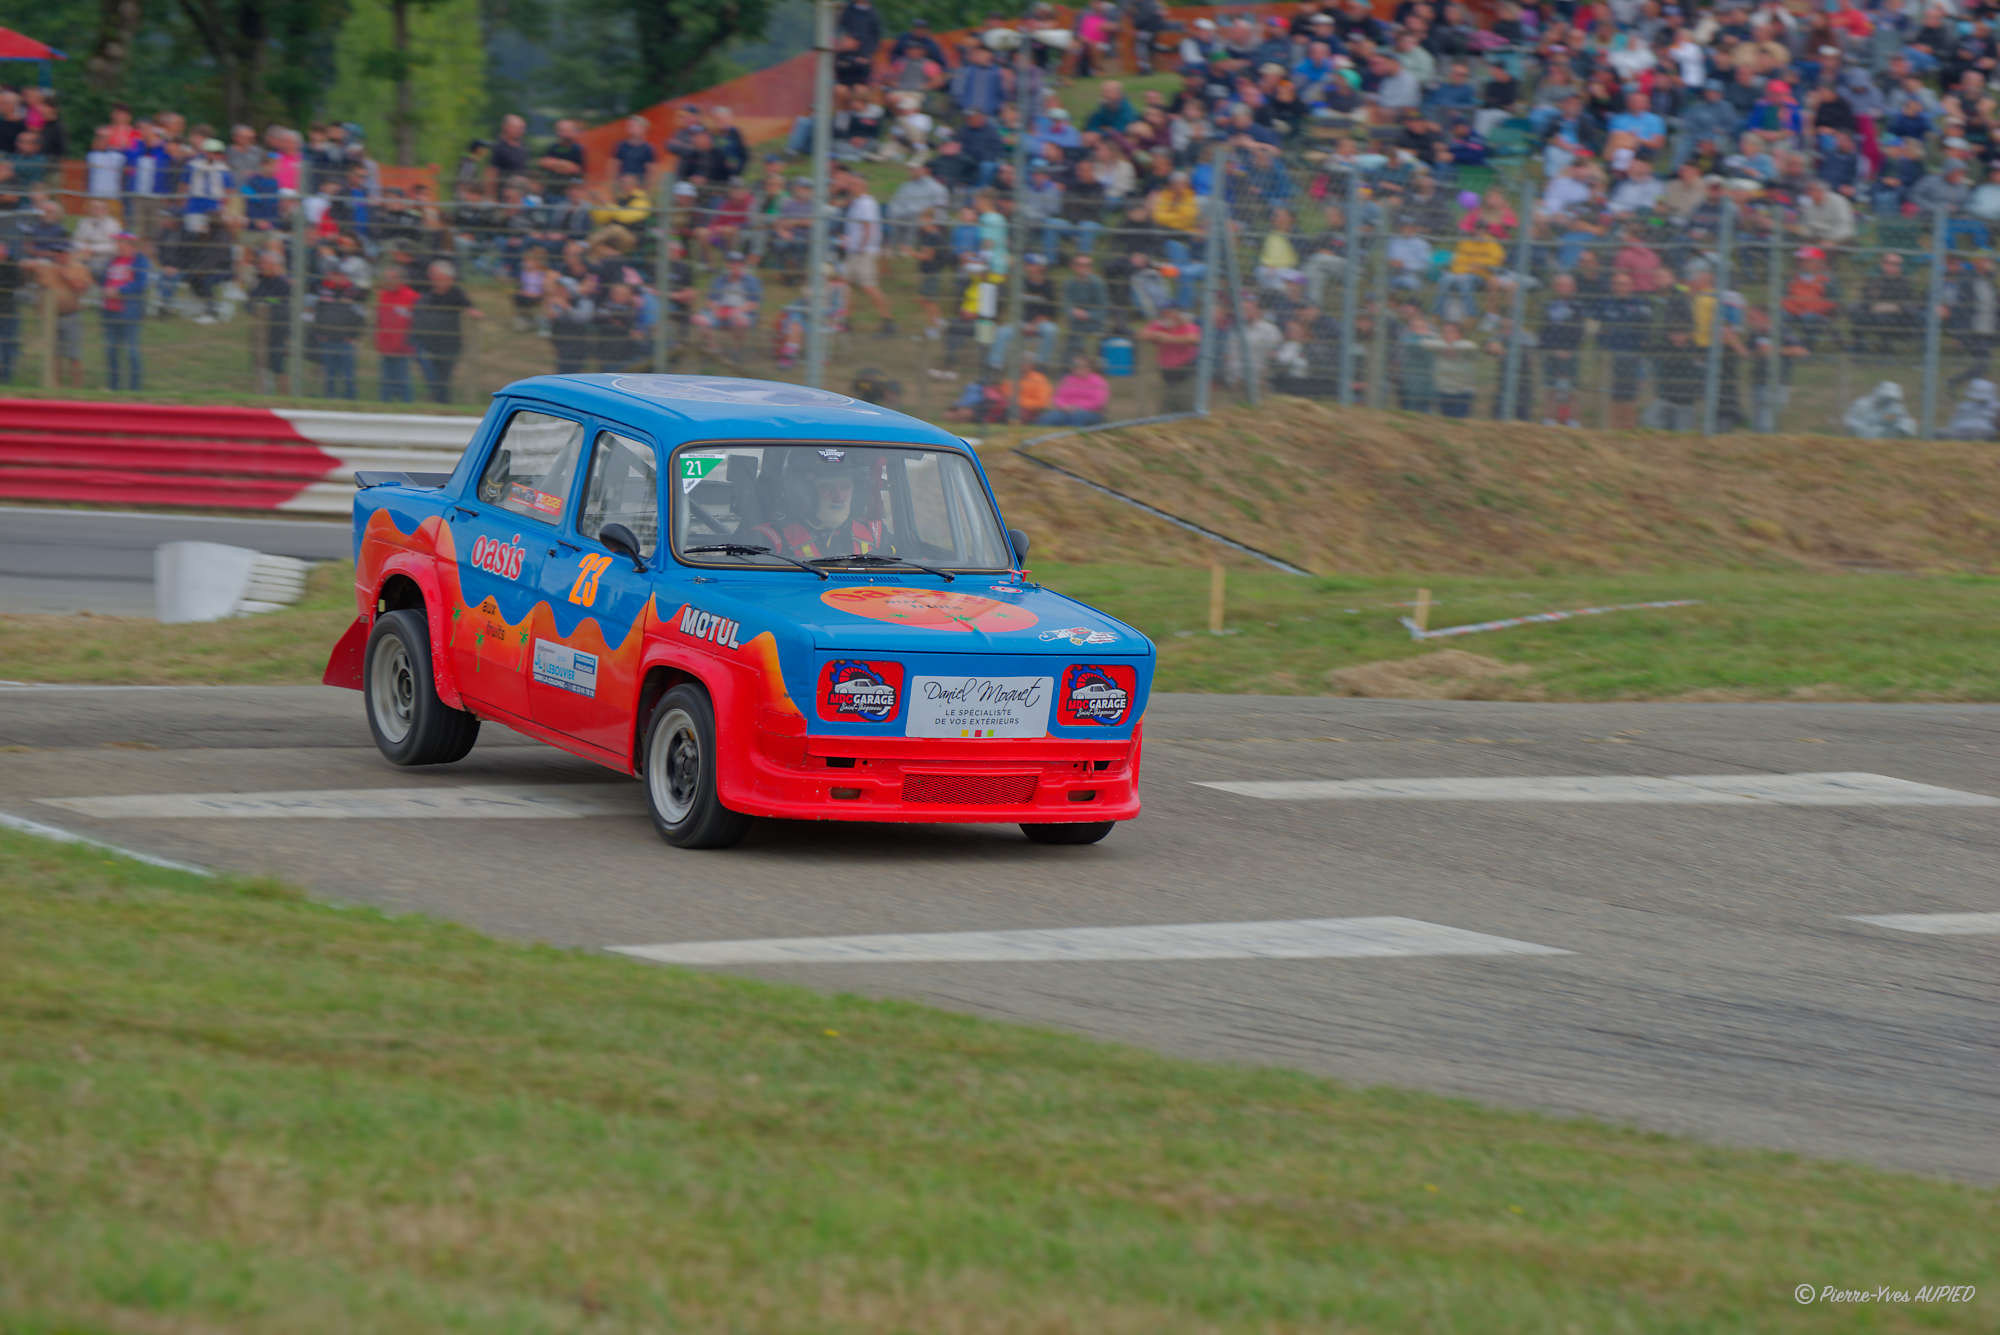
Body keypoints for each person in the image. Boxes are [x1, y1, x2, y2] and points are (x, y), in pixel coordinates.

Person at [752, 450, 886, 560]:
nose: (838, 497)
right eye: (827, 488)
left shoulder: (873, 533)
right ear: (803, 494)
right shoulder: (771, 539)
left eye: (845, 487)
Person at [411, 258, 482, 402]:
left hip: (449, 344)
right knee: (431, 374)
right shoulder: (427, 293)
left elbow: (469, 306)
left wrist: (473, 312)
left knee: (444, 377)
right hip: (427, 343)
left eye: (438, 277)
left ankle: (442, 402)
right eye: (433, 277)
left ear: (449, 278)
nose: (435, 280)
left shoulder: (456, 293)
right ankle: (437, 398)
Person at [100, 232, 148, 391]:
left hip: (129, 312)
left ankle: (135, 389)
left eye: (122, 242)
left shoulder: (139, 261)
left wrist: (119, 291)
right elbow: (104, 280)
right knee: (111, 350)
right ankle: (113, 387)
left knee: (132, 351)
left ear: (131, 245)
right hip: (110, 311)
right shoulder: (112, 261)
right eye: (117, 242)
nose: (119, 245)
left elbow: (140, 284)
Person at [1138, 301, 1201, 412]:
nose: (1165, 315)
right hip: (1166, 377)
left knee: (1188, 409)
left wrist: (1168, 338)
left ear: (1177, 314)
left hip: (1185, 376)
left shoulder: (1187, 326)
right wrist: (1157, 335)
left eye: (1169, 313)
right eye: (1164, 313)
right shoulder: (1160, 326)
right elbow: (1142, 335)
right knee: (1165, 411)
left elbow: (1193, 339)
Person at [375, 262, 418, 403]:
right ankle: (384, 406)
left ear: (400, 279)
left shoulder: (411, 297)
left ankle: (407, 407)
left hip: (403, 348)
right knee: (385, 382)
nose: (388, 281)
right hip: (386, 347)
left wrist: (409, 343)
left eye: (392, 278)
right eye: (387, 278)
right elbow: (379, 320)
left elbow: (415, 322)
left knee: (403, 381)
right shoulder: (383, 296)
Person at [1039, 352, 1109, 424]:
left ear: (1089, 367)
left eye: (1081, 366)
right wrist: (1064, 406)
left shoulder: (1098, 381)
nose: (1077, 368)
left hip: (1089, 412)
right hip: (1065, 410)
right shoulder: (1067, 379)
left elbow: (1098, 402)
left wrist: (1078, 407)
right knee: (1047, 418)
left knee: (1077, 417)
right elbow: (1058, 397)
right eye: (1075, 366)